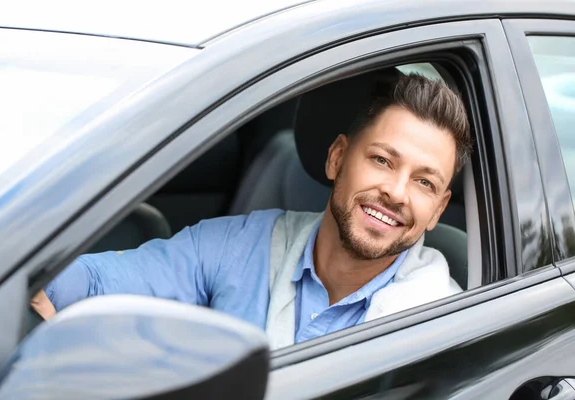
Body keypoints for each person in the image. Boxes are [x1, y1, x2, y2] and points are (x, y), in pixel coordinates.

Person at [31, 73, 472, 349]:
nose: (396, 192)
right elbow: (91, 282)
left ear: (437, 210)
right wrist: (18, 282)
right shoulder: (242, 245)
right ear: (337, 158)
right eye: (382, 160)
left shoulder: (441, 326)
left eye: (424, 182)